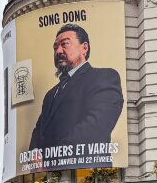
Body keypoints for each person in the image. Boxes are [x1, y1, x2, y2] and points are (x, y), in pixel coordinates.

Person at [28, 24, 124, 152]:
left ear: (84, 48)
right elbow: (39, 132)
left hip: (89, 168)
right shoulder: (50, 94)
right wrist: (34, 154)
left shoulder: (104, 77)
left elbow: (96, 126)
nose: (58, 51)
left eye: (65, 44)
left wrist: (49, 157)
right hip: (49, 170)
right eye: (55, 47)